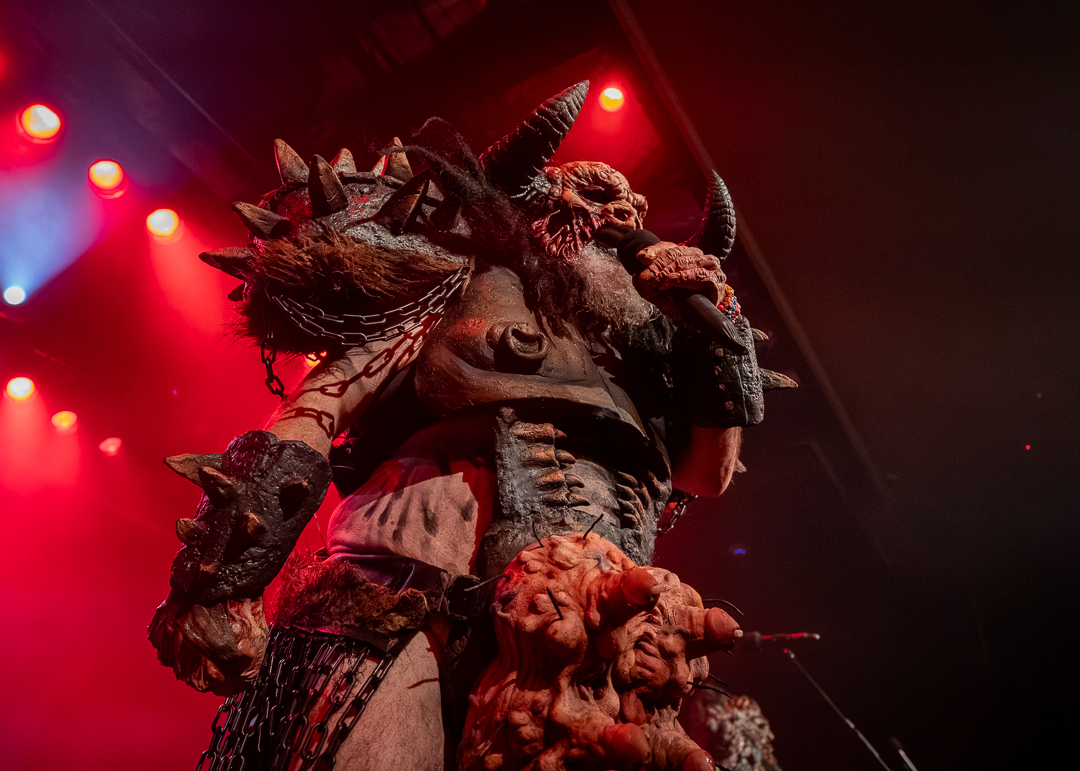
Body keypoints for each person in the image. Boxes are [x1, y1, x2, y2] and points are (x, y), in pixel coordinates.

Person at [149, 82, 790, 771]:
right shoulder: (461, 285)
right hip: (405, 595)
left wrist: (714, 326)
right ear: (536, 209)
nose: (615, 219)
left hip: (580, 640)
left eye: (628, 212)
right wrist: (224, 576)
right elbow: (319, 406)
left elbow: (707, 474)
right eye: (591, 199)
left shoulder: (651, 364)